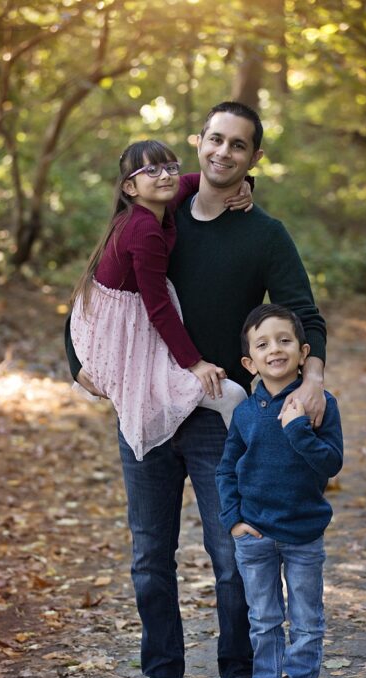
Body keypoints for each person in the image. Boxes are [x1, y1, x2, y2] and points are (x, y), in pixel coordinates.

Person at [65, 101, 328, 678]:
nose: (223, 153)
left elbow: (305, 314)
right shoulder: (154, 212)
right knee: (149, 556)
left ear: (253, 159)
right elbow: (99, 298)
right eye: (215, 140)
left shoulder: (264, 234)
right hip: (147, 414)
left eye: (239, 146)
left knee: (233, 553)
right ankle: (161, 677)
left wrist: (311, 380)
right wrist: (73, 364)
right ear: (199, 142)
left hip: (219, 423)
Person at [68, 138, 249, 459]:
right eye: (151, 170)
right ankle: (251, 462)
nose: (165, 176)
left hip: (125, 317)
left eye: (170, 167)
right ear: (130, 186)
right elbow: (158, 307)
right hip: (118, 334)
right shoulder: (144, 230)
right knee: (231, 394)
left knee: (223, 395)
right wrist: (195, 363)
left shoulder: (159, 202)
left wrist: (244, 182)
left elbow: (196, 180)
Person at [216, 304, 343, 678]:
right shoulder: (247, 413)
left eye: (285, 340)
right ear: (250, 361)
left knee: (306, 621)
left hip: (304, 533)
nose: (276, 349)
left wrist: (298, 430)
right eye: (263, 343)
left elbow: (330, 463)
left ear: (304, 352)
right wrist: (233, 519)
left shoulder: (320, 404)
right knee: (264, 620)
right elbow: (226, 468)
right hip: (255, 536)